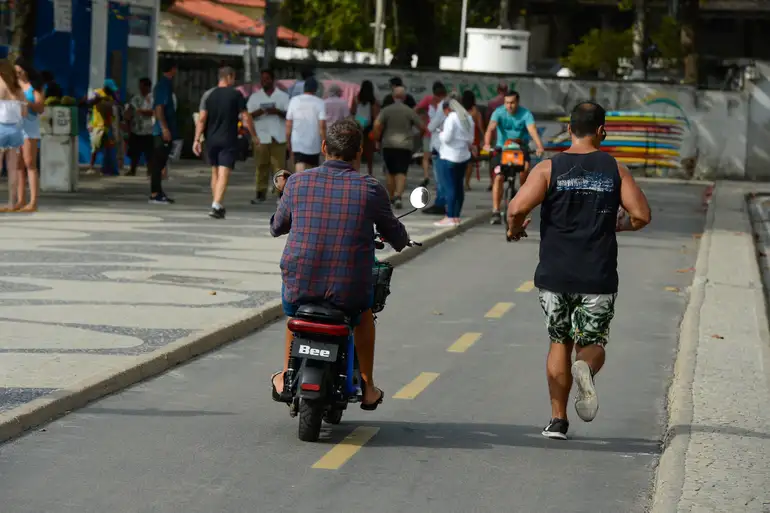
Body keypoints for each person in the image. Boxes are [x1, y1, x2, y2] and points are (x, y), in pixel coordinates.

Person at [505, 101, 651, 440]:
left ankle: (558, 420)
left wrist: (514, 230)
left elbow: (515, 208)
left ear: (569, 129)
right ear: (602, 131)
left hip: (555, 275)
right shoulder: (615, 169)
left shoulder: (547, 169)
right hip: (597, 275)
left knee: (559, 340)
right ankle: (585, 366)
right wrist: (622, 226)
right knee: (592, 342)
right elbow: (642, 215)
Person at [269, 119, 410, 408]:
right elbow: (396, 237)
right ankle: (368, 386)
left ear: (324, 147)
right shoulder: (371, 188)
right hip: (348, 291)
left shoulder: (297, 182)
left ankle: (285, 373)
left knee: (293, 314)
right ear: (360, 151)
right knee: (364, 314)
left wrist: (284, 193)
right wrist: (400, 237)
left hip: (300, 283)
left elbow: (276, 227)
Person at [194, 66, 259, 219]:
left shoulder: (208, 95)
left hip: (211, 139)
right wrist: (254, 136)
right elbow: (245, 117)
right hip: (228, 139)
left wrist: (196, 139)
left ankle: (217, 202)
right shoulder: (236, 95)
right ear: (229, 77)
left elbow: (201, 119)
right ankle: (216, 204)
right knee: (224, 171)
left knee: (215, 171)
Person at [483, 90, 545, 225]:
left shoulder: (525, 114)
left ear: (517, 102)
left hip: (520, 149)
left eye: (512, 103)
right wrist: (487, 144)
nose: (509, 106)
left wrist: (540, 147)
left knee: (525, 170)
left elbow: (532, 130)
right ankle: (496, 211)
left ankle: (523, 199)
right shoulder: (498, 112)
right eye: (506, 103)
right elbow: (490, 129)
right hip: (502, 149)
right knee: (498, 177)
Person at [371, 86, 425, 209]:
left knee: (390, 172)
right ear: (404, 97)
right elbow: (422, 127)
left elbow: (377, 124)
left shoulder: (386, 110)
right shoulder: (409, 111)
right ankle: (398, 196)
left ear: (393, 96)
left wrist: (377, 139)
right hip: (405, 145)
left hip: (388, 144)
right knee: (401, 172)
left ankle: (390, 197)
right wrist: (416, 138)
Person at [247, 68, 289, 203]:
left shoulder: (283, 96)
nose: (264, 82)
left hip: (279, 137)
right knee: (261, 166)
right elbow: (247, 116)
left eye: (267, 79)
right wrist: (259, 112)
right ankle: (260, 194)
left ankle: (280, 195)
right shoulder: (255, 97)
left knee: (279, 168)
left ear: (273, 80)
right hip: (261, 137)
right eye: (262, 79)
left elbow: (290, 116)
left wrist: (277, 111)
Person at [434, 98, 474, 227]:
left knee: (449, 187)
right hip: (463, 156)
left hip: (449, 156)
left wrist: (440, 133)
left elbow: (446, 138)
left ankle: (450, 216)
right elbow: (470, 139)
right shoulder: (468, 118)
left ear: (448, 109)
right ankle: (456, 215)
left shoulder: (451, 117)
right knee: (458, 187)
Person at [14, 58, 43, 212]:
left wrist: (26, 102)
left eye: (19, 70)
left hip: (30, 129)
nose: (17, 73)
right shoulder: (13, 86)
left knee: (30, 164)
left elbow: (40, 108)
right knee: (18, 166)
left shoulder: (34, 87)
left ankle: (33, 201)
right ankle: (20, 200)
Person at [149, 61, 178, 204]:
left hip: (165, 129)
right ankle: (155, 193)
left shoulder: (166, 85)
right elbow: (159, 108)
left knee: (161, 163)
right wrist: (164, 128)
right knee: (158, 163)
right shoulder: (163, 85)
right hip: (161, 131)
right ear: (172, 69)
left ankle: (159, 191)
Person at [0, 59, 26, 212]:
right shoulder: (18, 89)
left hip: (1, 127)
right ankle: (11, 202)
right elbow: (24, 113)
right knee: (12, 168)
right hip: (16, 130)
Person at [285, 77, 326, 172]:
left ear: (304, 88)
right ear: (316, 89)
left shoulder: (294, 101)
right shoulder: (320, 102)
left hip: (297, 142)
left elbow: (288, 123)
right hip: (314, 143)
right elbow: (322, 126)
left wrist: (287, 141)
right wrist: (324, 142)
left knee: (299, 169)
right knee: (312, 172)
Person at [421, 82, 448, 215]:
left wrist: (427, 127)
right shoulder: (450, 105)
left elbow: (432, 125)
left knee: (440, 177)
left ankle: (440, 203)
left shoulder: (442, 106)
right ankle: (442, 202)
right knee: (443, 177)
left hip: (439, 145)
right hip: (443, 145)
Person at [83, 79, 119, 175]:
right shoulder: (97, 93)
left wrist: (114, 98)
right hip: (97, 124)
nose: (112, 91)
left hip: (107, 124)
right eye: (110, 90)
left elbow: (117, 103)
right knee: (95, 147)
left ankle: (107, 168)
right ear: (105, 88)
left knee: (109, 146)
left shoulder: (111, 96)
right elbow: (89, 103)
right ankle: (91, 167)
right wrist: (98, 99)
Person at [124, 77, 154, 177]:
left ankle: (150, 170)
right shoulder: (136, 98)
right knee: (134, 151)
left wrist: (142, 111)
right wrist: (127, 117)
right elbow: (130, 109)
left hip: (149, 129)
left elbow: (154, 112)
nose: (140, 88)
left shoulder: (153, 98)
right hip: (136, 129)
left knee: (149, 152)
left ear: (148, 87)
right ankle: (132, 170)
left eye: (142, 86)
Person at [351, 79, 379, 176]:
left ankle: (356, 170)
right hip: (369, 128)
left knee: (357, 150)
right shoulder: (373, 101)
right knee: (369, 152)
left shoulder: (356, 99)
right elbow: (375, 116)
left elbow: (352, 112)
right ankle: (370, 172)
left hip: (358, 126)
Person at [461, 90, 485, 191]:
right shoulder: (475, 112)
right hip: (473, 140)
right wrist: (484, 138)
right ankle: (466, 183)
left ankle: (460, 182)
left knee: (461, 162)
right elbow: (480, 126)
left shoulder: (460, 111)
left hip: (461, 139)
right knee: (470, 163)